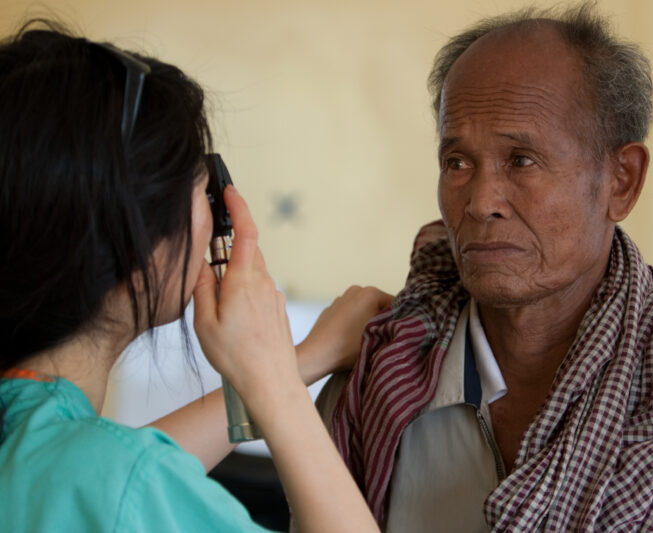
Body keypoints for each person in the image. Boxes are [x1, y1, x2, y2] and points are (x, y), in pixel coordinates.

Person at [316, 4, 653, 532]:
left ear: (621, 181)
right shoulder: (373, 394)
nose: (481, 202)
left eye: (521, 160)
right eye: (457, 163)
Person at [0, 22, 389, 532]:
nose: (210, 225)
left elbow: (102, 475)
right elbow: (121, 483)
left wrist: (301, 360)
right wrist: (272, 382)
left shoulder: (42, 442)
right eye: (203, 194)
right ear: (136, 240)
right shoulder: (115, 482)